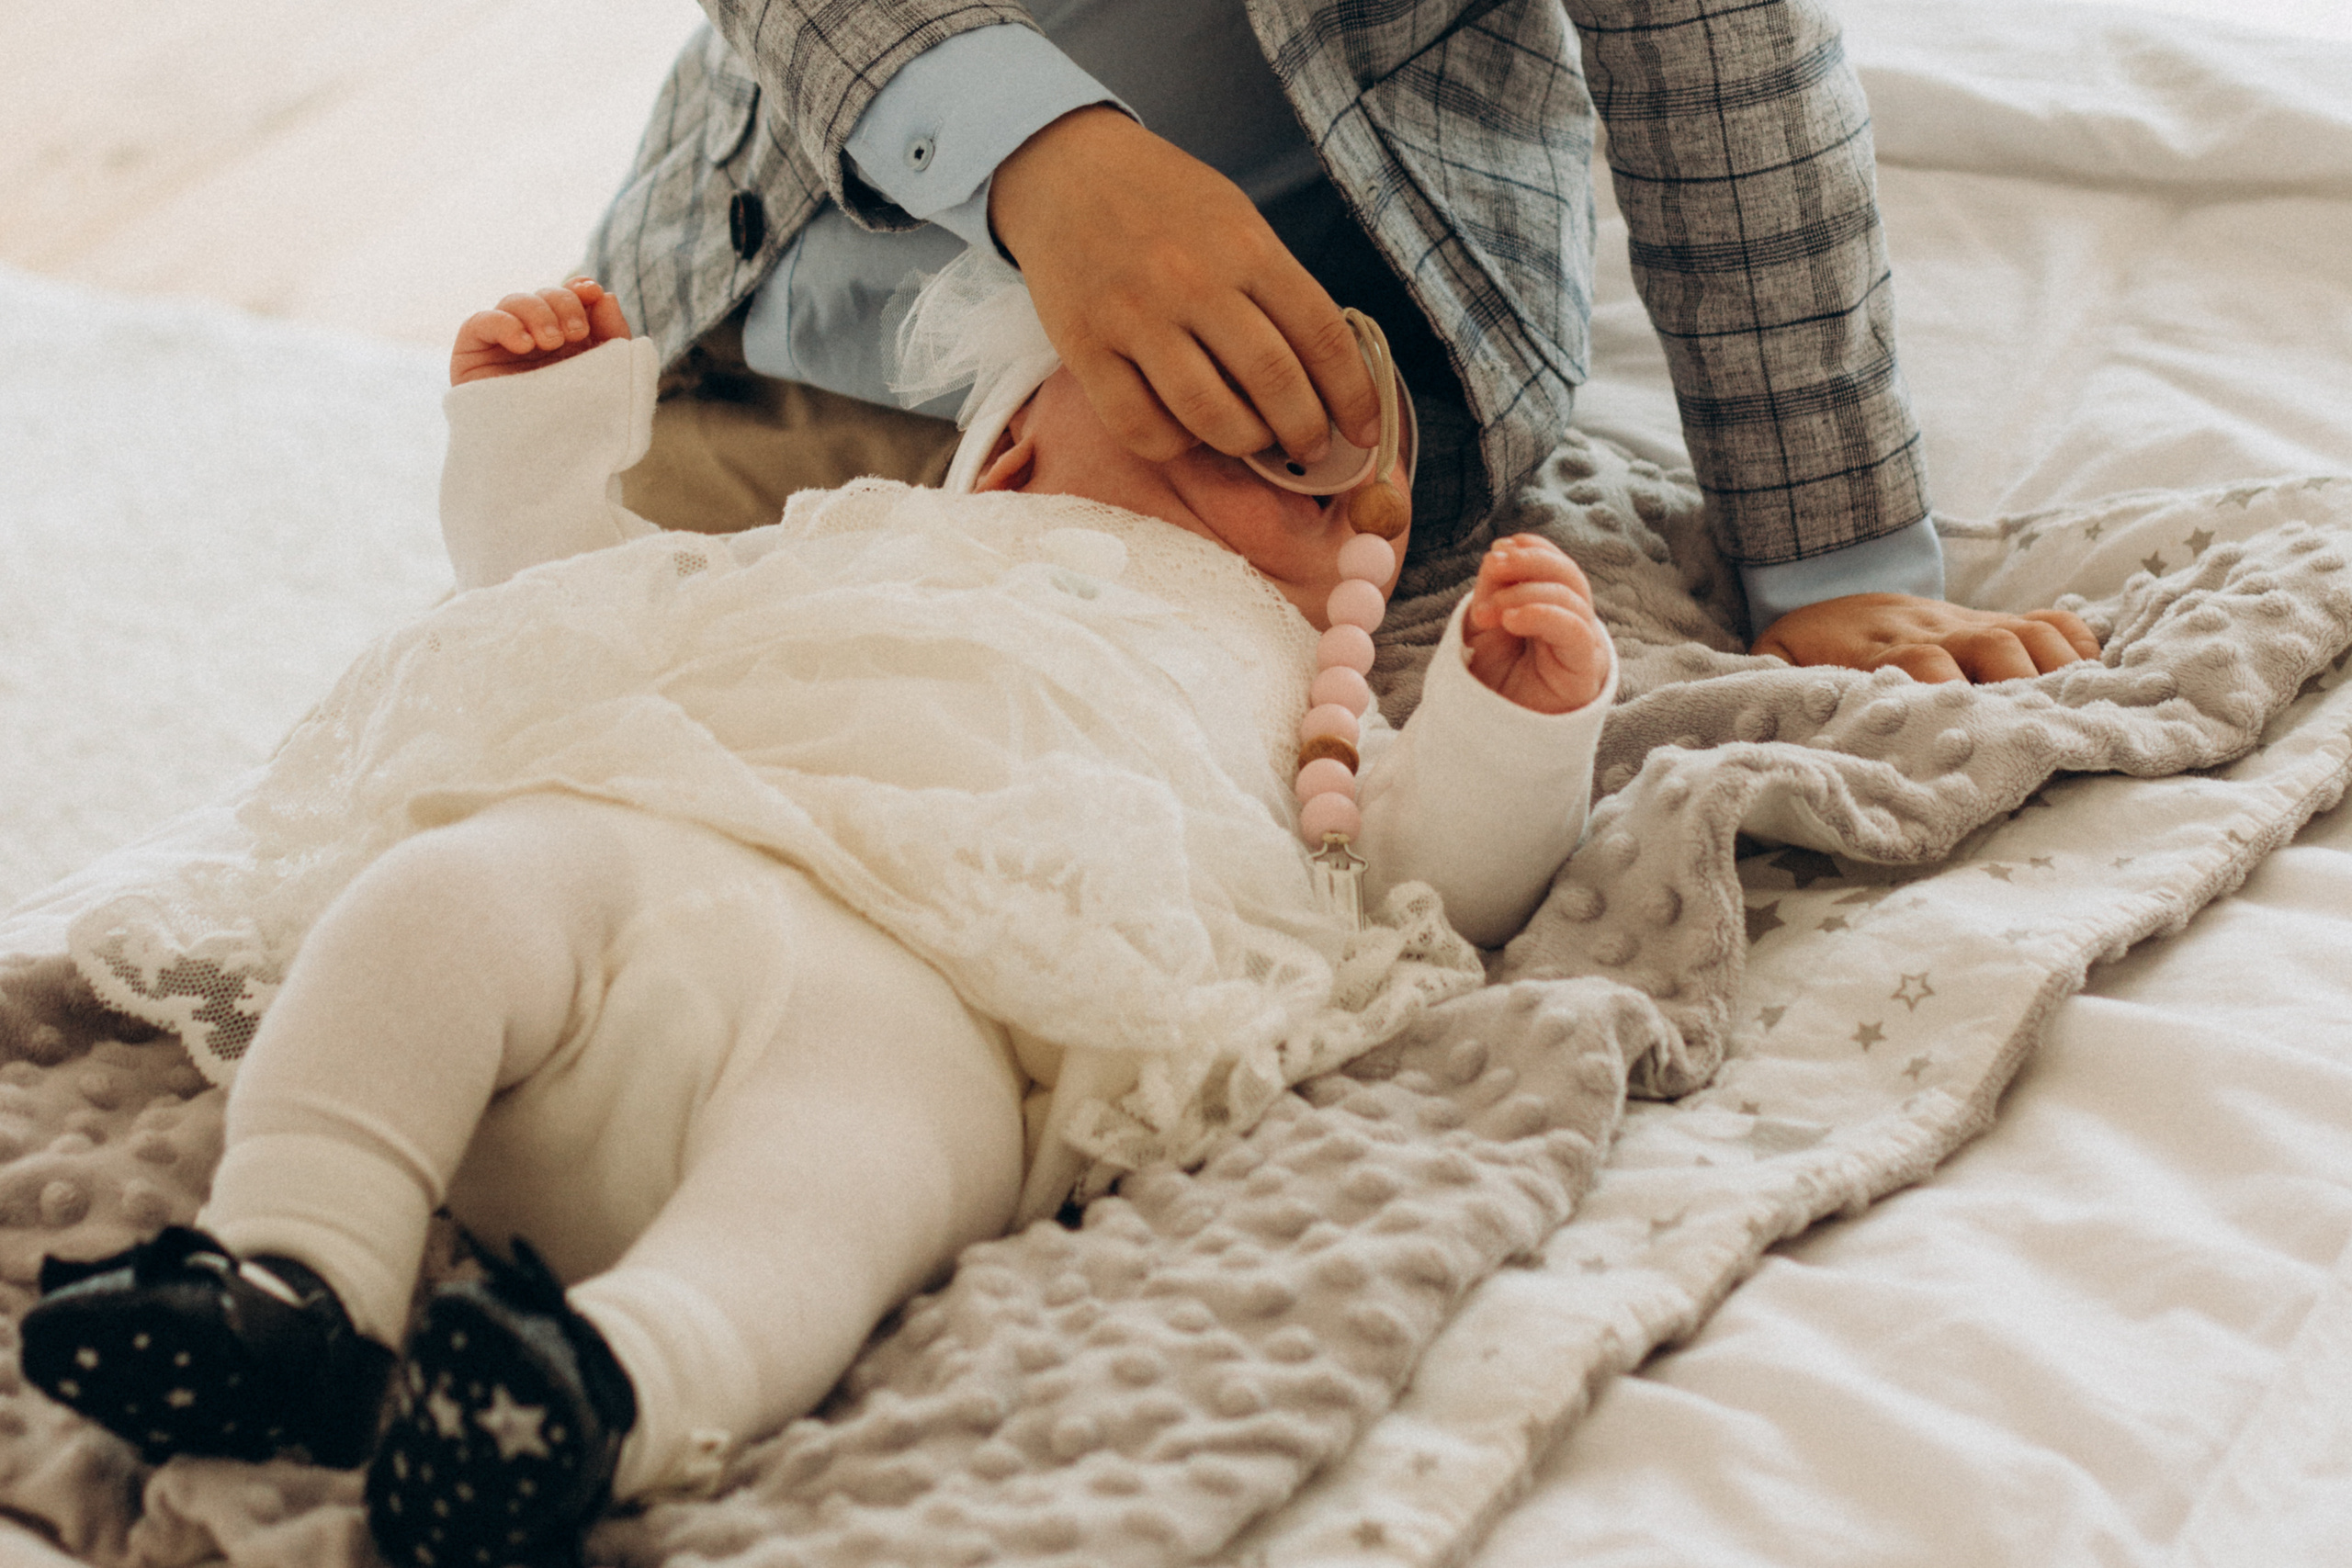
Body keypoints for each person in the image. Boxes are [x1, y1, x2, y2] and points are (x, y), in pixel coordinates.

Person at [18, 275, 1616, 1568]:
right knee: (434, 900)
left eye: (1329, 447)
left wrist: (1516, 718)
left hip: (927, 1002)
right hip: (637, 854)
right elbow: (572, 612)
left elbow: (1430, 885)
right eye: (1195, 384)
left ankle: (599, 1392)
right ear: (1006, 449)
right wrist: (535, 440)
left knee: (862, 1167)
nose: (1275, 421)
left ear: (1358, 559)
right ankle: (298, 1274)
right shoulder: (867, 536)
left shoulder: (1293, 692)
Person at [586, 0, 2099, 684]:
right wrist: (1039, 155)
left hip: (1311, 347)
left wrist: (1834, 562)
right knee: (589, 747)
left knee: (1117, 797)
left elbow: (1726, 64)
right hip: (797, 283)